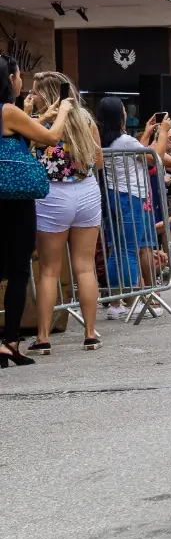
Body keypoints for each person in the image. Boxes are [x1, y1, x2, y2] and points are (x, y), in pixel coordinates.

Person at [1, 56, 75, 367]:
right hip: (13, 199)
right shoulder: (7, 110)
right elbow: (51, 138)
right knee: (18, 270)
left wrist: (43, 115)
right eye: (18, 76)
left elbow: (21, 138)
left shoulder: (12, 113)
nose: (21, 81)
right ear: (9, 79)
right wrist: (64, 112)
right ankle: (10, 342)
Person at [26, 71, 101, 355]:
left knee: (48, 270)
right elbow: (98, 162)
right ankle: (90, 333)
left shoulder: (39, 123)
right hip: (86, 190)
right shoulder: (86, 120)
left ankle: (43, 337)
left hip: (53, 194)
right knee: (84, 266)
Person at [98, 99, 168, 319]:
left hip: (113, 197)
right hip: (131, 197)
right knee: (129, 249)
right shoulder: (126, 141)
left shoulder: (105, 140)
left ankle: (116, 303)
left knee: (116, 249)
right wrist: (163, 131)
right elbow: (154, 157)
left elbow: (142, 154)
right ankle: (133, 301)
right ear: (121, 116)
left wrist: (146, 134)